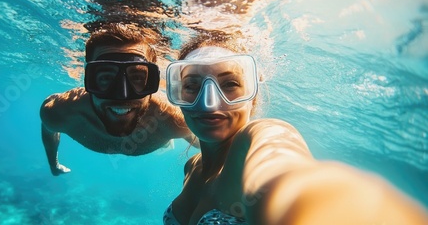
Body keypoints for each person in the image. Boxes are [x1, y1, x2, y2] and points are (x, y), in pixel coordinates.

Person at [163, 30, 428, 224]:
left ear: (252, 95)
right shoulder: (192, 166)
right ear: (178, 93)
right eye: (191, 86)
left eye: (230, 85)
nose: (209, 104)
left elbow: (289, 177)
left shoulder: (260, 136)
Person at [40, 22, 195, 176]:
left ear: (152, 81)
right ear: (88, 79)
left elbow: (209, 144)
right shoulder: (58, 112)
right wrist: (54, 165)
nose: (122, 95)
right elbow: (49, 130)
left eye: (137, 78)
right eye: (106, 77)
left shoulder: (174, 120)